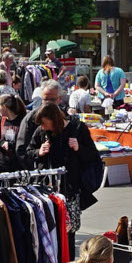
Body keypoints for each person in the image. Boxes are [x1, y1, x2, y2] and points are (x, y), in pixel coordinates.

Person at [24, 102, 101, 254]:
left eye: (45, 124)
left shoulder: (77, 129)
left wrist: (79, 148)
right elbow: (27, 152)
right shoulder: (41, 132)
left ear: (54, 119)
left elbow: (93, 156)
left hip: (70, 189)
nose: (43, 127)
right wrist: (38, 152)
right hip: (47, 190)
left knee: (68, 232)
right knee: (50, 229)